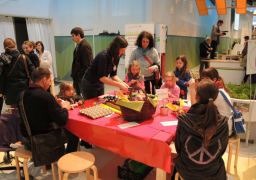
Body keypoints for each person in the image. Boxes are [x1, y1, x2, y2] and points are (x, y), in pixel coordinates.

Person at [174, 79, 229, 180]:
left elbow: (178, 149)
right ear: (216, 98)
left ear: (196, 96)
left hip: (187, 172)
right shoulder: (223, 123)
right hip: (214, 174)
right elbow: (221, 151)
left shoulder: (184, 120)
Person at [18, 67, 79, 154]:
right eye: (50, 81)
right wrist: (65, 108)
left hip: (26, 140)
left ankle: (48, 161)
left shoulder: (21, 95)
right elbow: (62, 121)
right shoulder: (46, 96)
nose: (50, 84)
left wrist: (55, 105)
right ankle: (66, 159)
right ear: (44, 80)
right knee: (74, 131)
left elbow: (36, 111)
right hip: (43, 142)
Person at [81, 36, 129, 100]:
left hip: (100, 84)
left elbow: (113, 75)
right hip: (89, 83)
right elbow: (102, 78)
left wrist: (123, 83)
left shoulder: (117, 56)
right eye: (122, 50)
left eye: (124, 50)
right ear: (116, 48)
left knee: (101, 103)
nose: (122, 52)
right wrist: (119, 85)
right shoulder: (103, 56)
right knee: (91, 105)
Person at [190, 67, 233, 136]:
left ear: (214, 79)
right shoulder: (216, 89)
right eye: (203, 79)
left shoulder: (216, 93)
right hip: (220, 126)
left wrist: (192, 89)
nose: (204, 81)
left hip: (222, 130)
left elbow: (195, 107)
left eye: (207, 79)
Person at [0, 38, 35, 109]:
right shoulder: (24, 57)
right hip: (24, 90)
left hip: (10, 92)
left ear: (4, 47)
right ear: (15, 45)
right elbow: (34, 72)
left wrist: (2, 92)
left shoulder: (2, 59)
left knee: (13, 114)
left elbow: (2, 78)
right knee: (25, 111)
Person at [71, 27, 93, 96]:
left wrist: (79, 75)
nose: (72, 38)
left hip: (82, 77)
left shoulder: (84, 45)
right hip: (78, 77)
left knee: (85, 97)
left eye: (73, 36)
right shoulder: (79, 45)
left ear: (78, 35)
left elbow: (87, 64)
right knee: (76, 96)